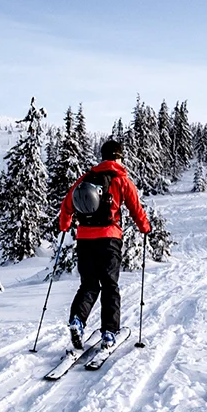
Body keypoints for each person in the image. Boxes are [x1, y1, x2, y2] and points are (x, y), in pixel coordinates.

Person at [58, 138, 152, 351]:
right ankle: (109, 333)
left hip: (84, 239)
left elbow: (67, 204)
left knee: (88, 285)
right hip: (109, 239)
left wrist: (65, 226)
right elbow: (136, 208)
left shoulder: (87, 177)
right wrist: (145, 228)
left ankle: (77, 322)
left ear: (102, 156)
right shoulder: (121, 180)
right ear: (119, 157)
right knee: (110, 285)